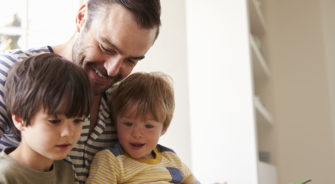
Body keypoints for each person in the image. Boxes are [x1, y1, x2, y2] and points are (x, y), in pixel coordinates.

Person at [0, 0, 161, 183]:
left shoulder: (122, 103)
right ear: (81, 17)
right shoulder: (11, 71)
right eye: (106, 48)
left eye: (131, 61)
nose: (112, 70)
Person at [86, 72, 199, 184]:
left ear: (164, 128)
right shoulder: (110, 160)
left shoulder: (171, 158)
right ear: (116, 123)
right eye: (128, 124)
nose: (137, 134)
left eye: (148, 126)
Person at [0, 53, 93, 183]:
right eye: (54, 121)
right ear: (19, 120)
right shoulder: (5, 176)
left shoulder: (66, 172)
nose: (68, 132)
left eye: (78, 120)